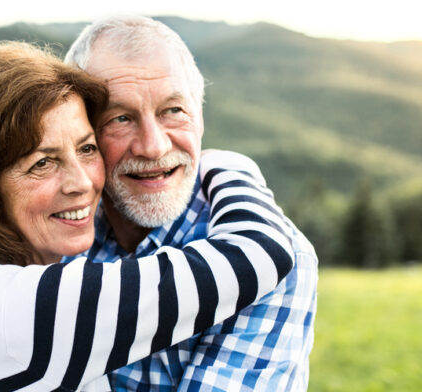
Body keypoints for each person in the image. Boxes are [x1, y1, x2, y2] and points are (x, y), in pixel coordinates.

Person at [0, 41, 299, 391]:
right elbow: (259, 252)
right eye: (42, 163)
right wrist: (229, 165)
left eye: (87, 149)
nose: (83, 182)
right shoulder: (23, 309)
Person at [63, 15, 319, 391]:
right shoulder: (56, 234)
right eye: (120, 118)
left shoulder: (273, 259)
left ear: (199, 119)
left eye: (173, 111)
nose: (153, 147)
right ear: (82, 137)